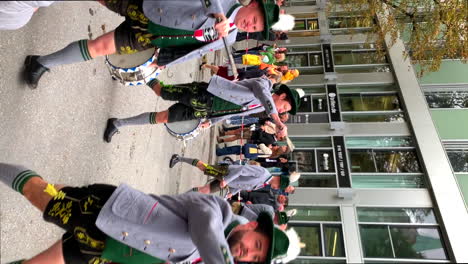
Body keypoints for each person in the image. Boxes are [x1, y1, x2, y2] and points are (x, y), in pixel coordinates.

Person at [0, 162, 301, 264]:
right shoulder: (216, 211)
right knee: (36, 190)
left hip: (107, 253)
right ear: (251, 227)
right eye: (256, 246)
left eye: (253, 259)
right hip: (104, 215)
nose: (246, 254)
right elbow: (206, 233)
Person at [23, 0, 295, 89]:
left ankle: (41, 63)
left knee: (100, 47)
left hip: (150, 37)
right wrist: (217, 12)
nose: (252, 24)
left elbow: (196, 49)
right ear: (251, 5)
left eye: (257, 26)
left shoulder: (232, 37)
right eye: (255, 18)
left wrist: (162, 61)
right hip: (148, 5)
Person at [103, 74, 305, 143]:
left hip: (205, 111)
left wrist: (212, 121)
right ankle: (133, 71)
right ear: (283, 96)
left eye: (284, 111)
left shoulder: (260, 107)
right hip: (202, 94)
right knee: (160, 91)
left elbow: (234, 112)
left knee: (163, 118)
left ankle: (118, 123)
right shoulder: (265, 85)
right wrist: (277, 121)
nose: (282, 111)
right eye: (285, 106)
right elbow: (263, 93)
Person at [168, 154, 272, 197]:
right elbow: (242, 170)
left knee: (205, 190)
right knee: (203, 167)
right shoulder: (263, 174)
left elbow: (243, 184)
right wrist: (227, 180)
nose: (276, 188)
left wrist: (233, 192)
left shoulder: (264, 184)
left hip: (227, 183)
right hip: (226, 173)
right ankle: (179, 158)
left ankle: (179, 198)